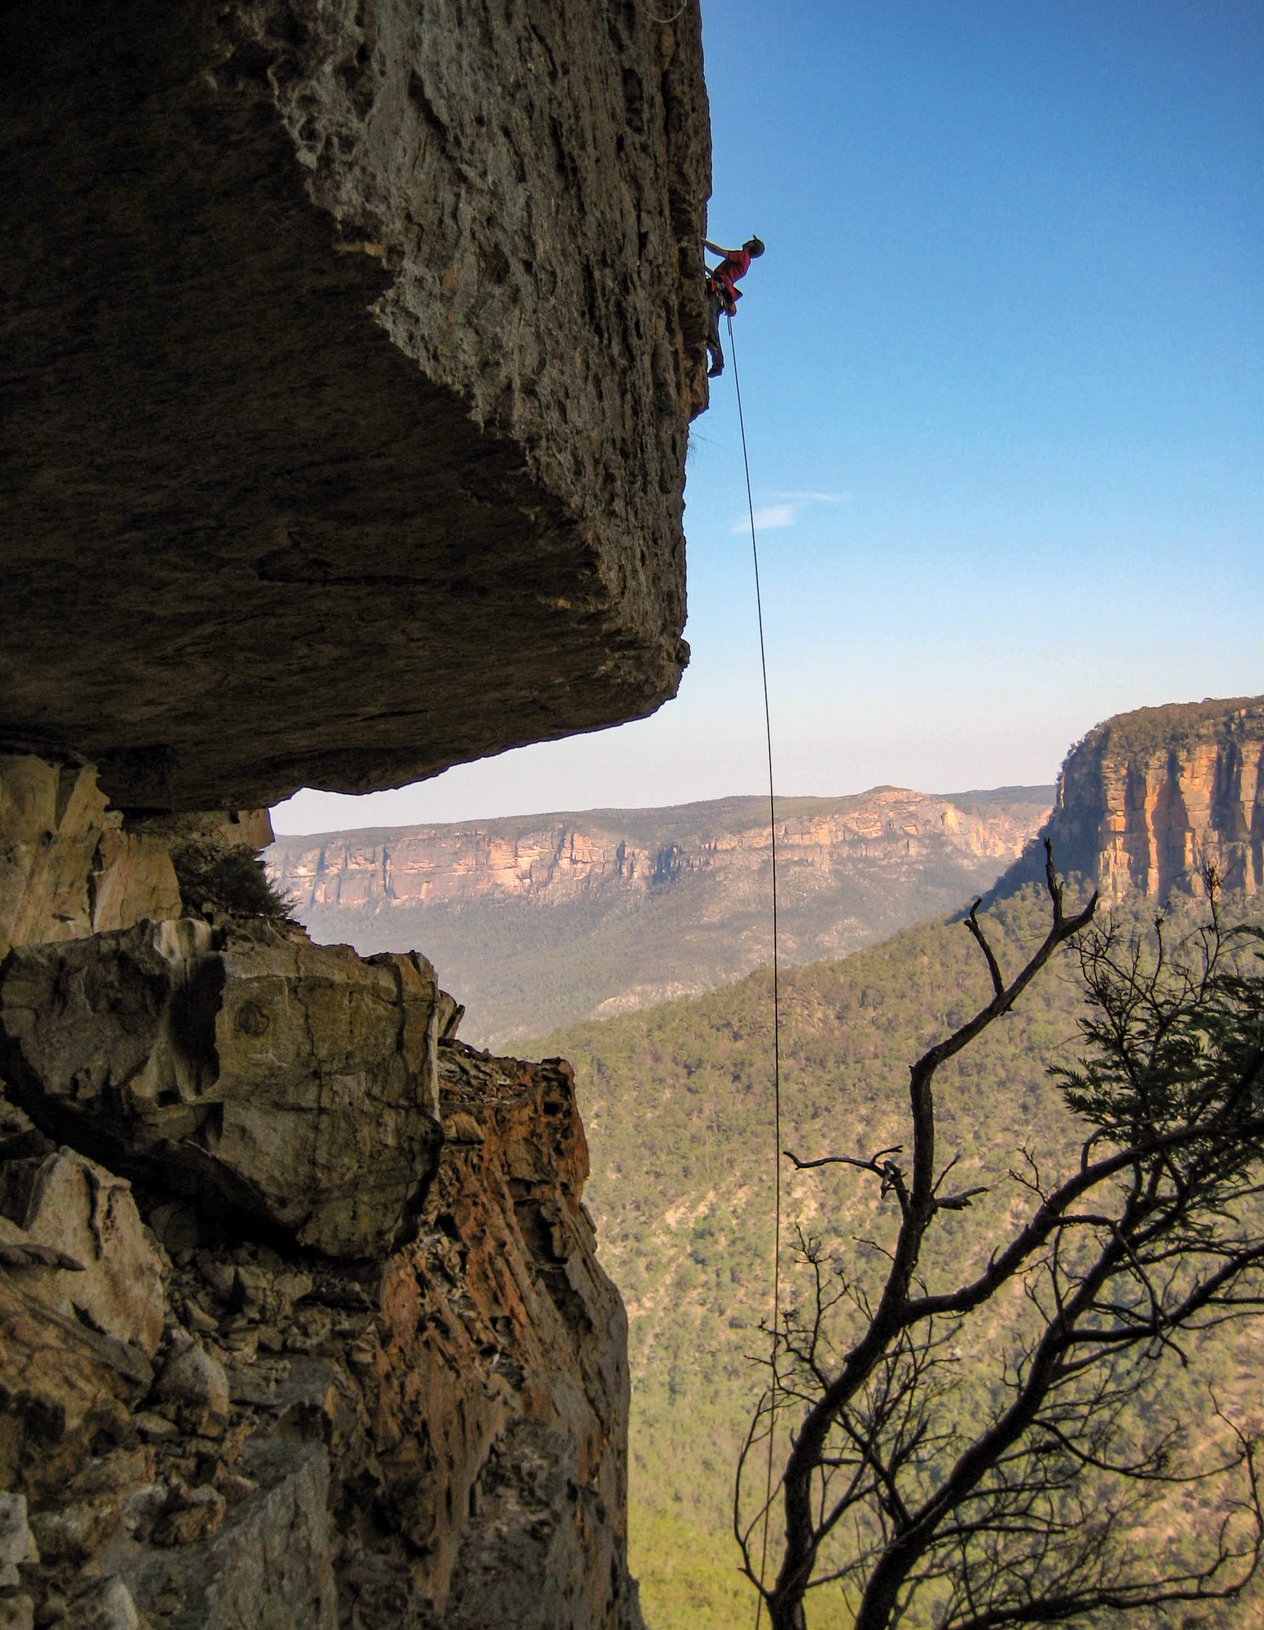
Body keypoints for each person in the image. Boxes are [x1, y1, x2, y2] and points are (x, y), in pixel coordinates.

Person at [703, 236, 764, 377]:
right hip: (720, 290)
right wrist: (704, 267)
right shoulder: (745, 262)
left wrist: (703, 242)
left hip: (718, 290)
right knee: (711, 319)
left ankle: (718, 361)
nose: (748, 240)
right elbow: (721, 276)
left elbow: (720, 252)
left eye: (751, 241)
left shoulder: (743, 256)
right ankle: (716, 357)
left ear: (751, 245)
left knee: (709, 318)